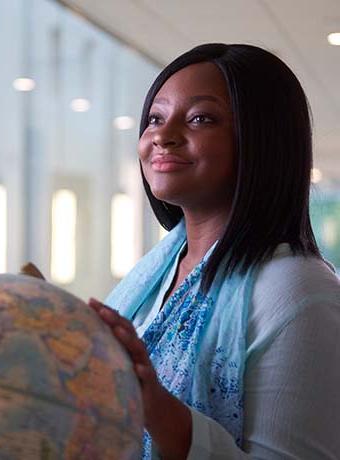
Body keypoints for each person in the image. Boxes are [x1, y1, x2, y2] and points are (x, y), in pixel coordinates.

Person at [88, 43, 340, 459]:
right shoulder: (161, 270)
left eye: (200, 119)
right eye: (155, 118)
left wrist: (161, 412)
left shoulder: (298, 291)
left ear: (262, 140)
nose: (162, 137)